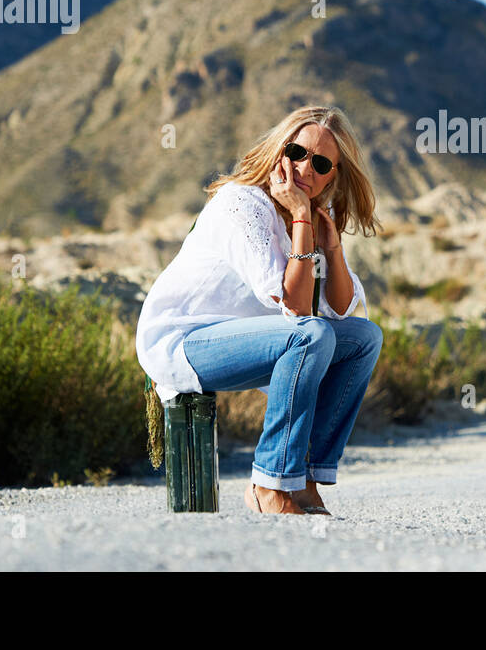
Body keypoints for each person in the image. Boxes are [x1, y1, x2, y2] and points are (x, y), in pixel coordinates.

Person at [136, 105, 383, 515]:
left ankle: (302, 477)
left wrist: (331, 242)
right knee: (311, 334)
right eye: (296, 152)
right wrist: (303, 218)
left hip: (246, 341)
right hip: (181, 340)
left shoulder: (312, 215)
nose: (304, 167)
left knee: (363, 339)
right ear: (277, 149)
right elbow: (298, 308)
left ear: (332, 177)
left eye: (320, 163)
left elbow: (340, 308)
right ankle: (269, 483)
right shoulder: (243, 204)